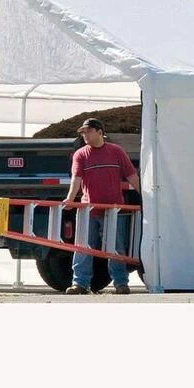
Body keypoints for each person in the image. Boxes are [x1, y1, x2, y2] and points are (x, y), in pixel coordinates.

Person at [62, 118, 140, 294]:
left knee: (116, 247)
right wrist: (70, 199)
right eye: (83, 133)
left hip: (113, 210)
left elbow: (131, 176)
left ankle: (121, 283)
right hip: (88, 210)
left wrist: (145, 195)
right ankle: (80, 283)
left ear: (99, 132)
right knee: (83, 247)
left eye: (88, 131)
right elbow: (76, 179)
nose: (85, 135)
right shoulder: (80, 154)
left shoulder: (116, 151)